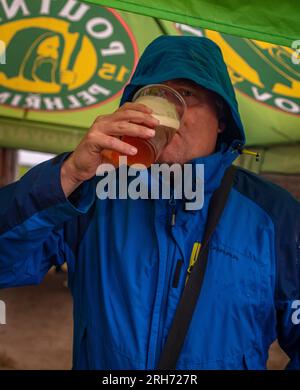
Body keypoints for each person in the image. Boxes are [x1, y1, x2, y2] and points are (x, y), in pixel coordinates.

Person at [0, 35, 299, 370]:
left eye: (187, 94)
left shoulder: (274, 214)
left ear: (222, 118)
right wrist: (68, 174)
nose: (163, 113)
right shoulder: (93, 194)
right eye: (153, 95)